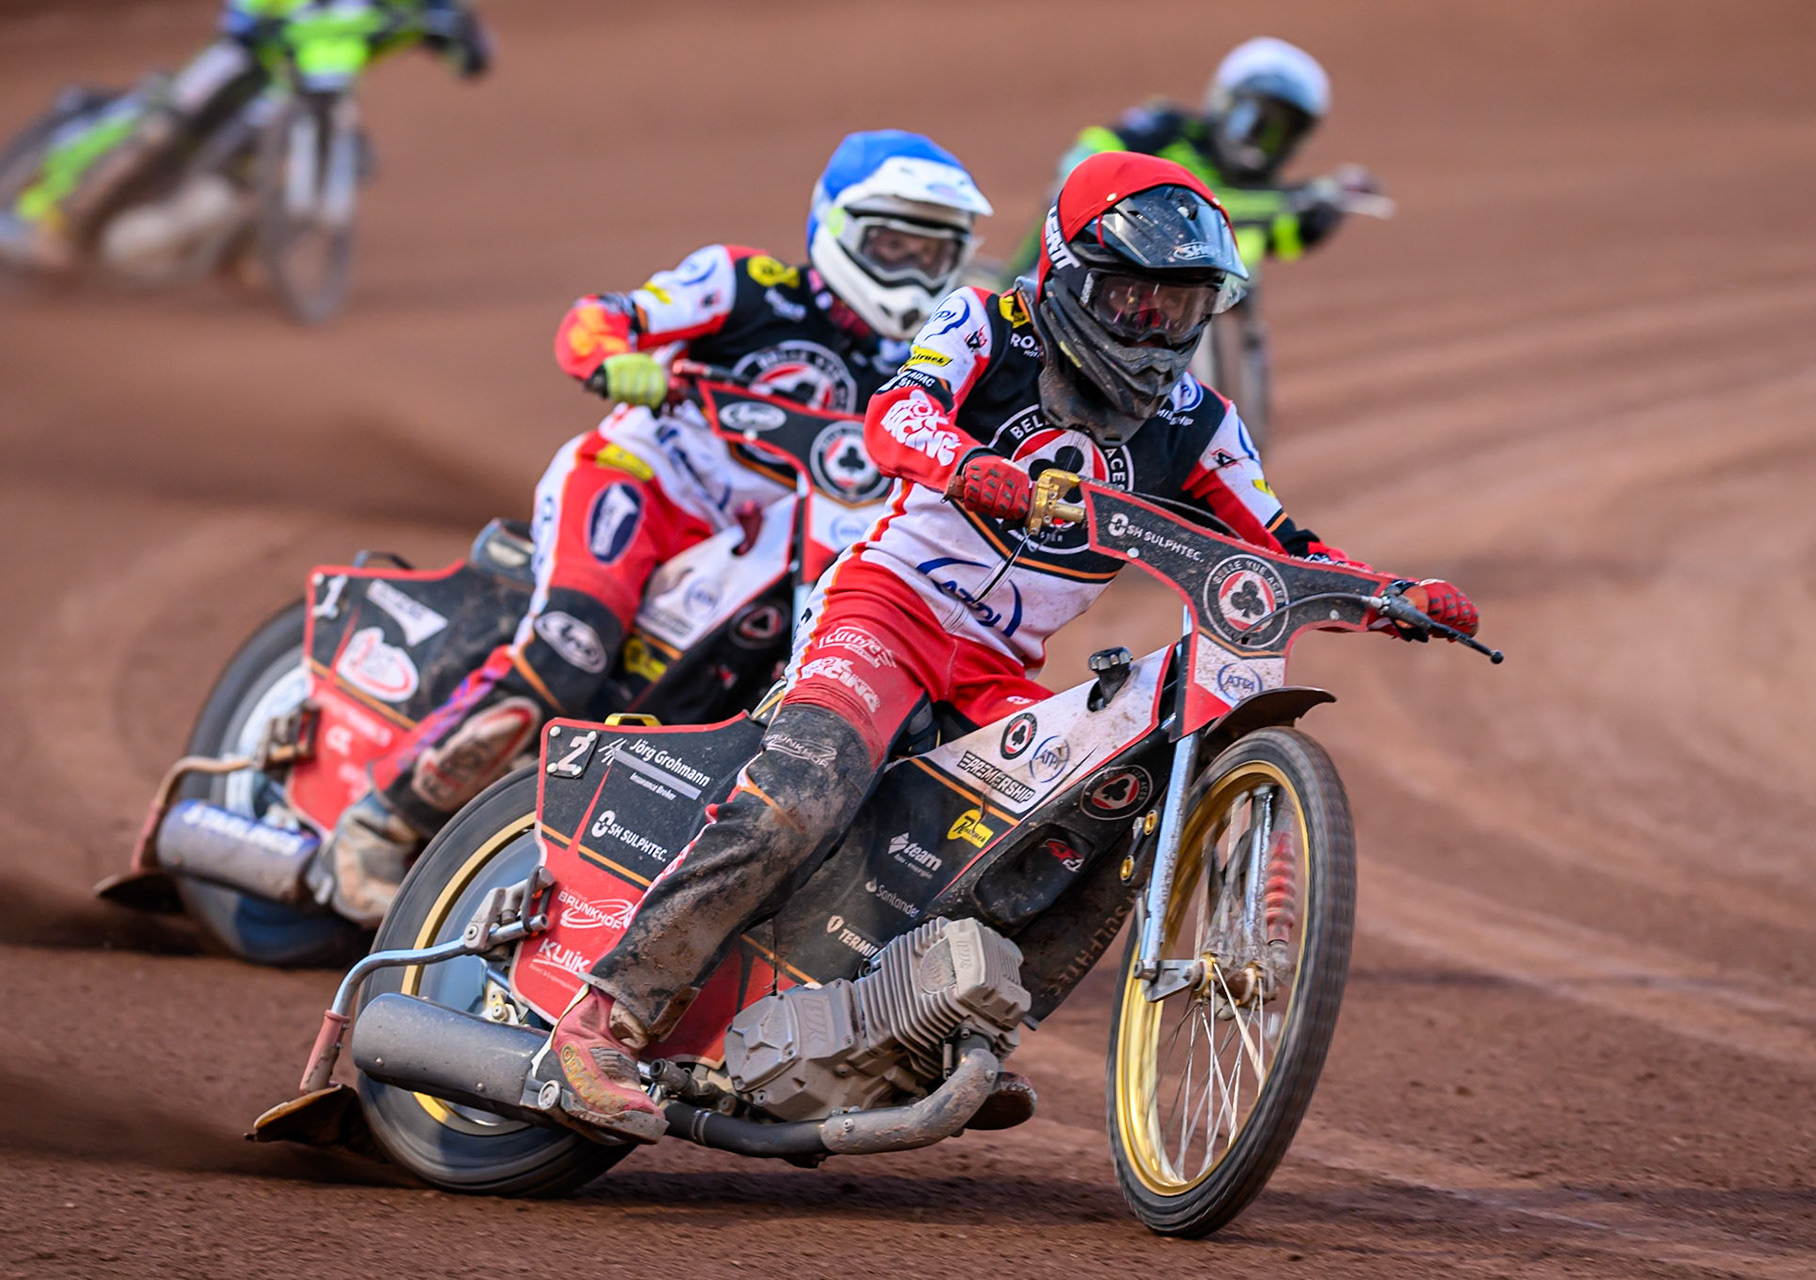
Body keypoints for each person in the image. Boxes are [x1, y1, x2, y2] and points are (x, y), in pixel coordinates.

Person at [527, 150, 1479, 1143]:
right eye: (1132, 300)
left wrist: (1391, 593)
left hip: (995, 671)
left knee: (1095, 816)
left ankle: (937, 1038)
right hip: (885, 612)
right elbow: (894, 415)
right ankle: (604, 1018)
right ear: (1069, 277)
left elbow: (1278, 544)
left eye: (1181, 307)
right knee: (805, 791)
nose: (1155, 330)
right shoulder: (987, 324)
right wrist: (976, 469)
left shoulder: (1200, 423)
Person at [307, 130, 994, 928]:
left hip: (776, 540)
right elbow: (602, 319)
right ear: (837, 229)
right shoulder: (747, 284)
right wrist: (616, 355)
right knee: (572, 644)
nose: (913, 270)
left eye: (932, 251)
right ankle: (374, 824)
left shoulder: (931, 360)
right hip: (645, 481)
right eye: (892, 244)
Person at [0, 0, 490, 272]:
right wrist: (253, 20)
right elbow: (239, 16)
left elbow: (469, 47)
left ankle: (249, 252)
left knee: (358, 157)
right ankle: (56, 221)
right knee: (165, 124)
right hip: (246, 62)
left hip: (318, 96)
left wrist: (460, 37)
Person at [1004, 36, 1373, 283]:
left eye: (1282, 131)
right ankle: (1026, 285)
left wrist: (1324, 211)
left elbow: (1287, 235)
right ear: (1224, 100)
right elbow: (1082, 161)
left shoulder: (1270, 198)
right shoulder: (1166, 129)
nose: (1261, 141)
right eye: (1255, 118)